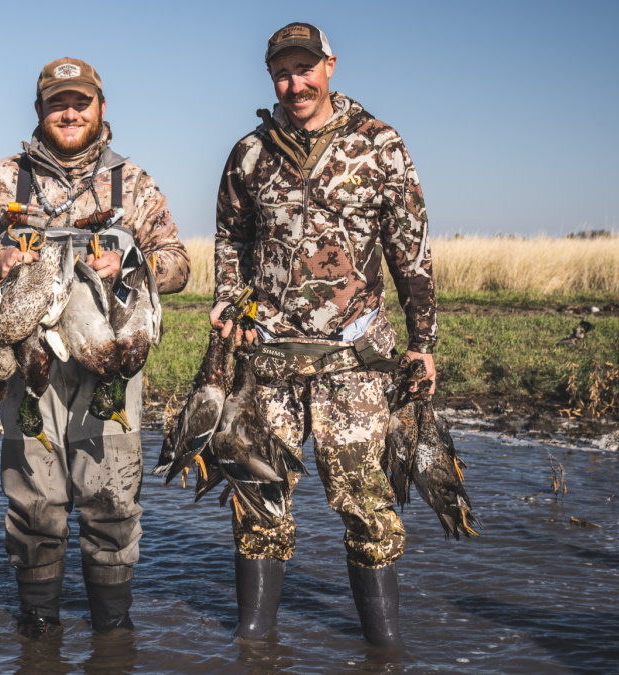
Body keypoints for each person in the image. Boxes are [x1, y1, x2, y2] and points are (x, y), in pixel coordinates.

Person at [0, 57, 190, 637]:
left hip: (109, 368)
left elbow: (178, 263)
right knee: (34, 502)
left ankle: (112, 629)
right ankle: (40, 624)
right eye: (57, 102)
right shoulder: (2, 179)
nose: (70, 112)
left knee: (113, 500)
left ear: (101, 109)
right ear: (39, 110)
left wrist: (132, 260)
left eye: (81, 102)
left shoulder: (134, 183)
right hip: (32, 367)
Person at [210, 22, 437, 650]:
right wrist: (229, 302)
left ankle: (383, 646)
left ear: (330, 66)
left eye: (305, 67)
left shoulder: (380, 144)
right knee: (259, 501)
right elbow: (231, 238)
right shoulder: (249, 153)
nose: (295, 82)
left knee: (366, 503)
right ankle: (254, 643)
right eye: (282, 71)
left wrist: (424, 343)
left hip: (355, 361)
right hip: (269, 361)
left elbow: (410, 250)